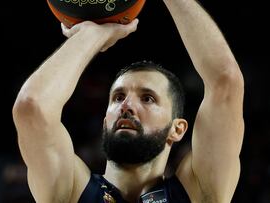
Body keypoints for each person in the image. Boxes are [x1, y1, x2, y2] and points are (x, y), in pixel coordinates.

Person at [12, 0, 245, 202]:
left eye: (148, 98)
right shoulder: (70, 191)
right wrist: (92, 35)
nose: (126, 106)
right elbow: (32, 108)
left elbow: (226, 82)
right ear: (105, 121)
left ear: (177, 129)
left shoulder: (199, 192)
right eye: (118, 97)